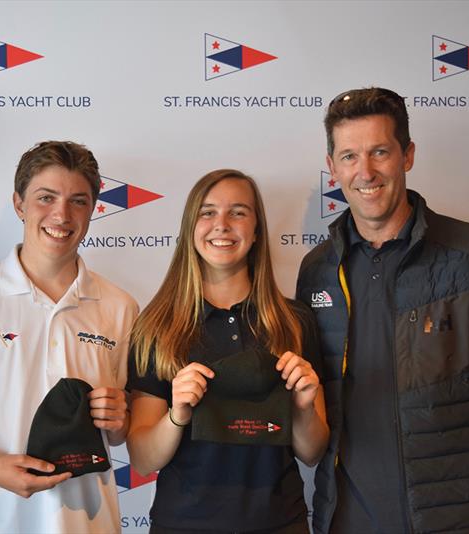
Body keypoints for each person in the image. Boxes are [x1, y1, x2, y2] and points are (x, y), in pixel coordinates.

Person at [296, 87, 469, 533]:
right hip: (345, 519)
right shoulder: (317, 270)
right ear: (332, 167)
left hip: (454, 519)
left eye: (379, 152)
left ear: (407, 155)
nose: (364, 172)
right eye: (348, 156)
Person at [0, 140, 138, 533]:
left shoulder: (120, 307)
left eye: (78, 201)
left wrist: (118, 420)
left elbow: (121, 431)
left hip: (90, 522)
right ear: (19, 204)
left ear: (93, 210)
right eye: (46, 197)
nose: (61, 214)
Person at [127, 169, 329, 533]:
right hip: (183, 524)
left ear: (256, 232)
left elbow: (312, 452)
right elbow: (142, 458)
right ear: (191, 228)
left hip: (280, 523)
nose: (222, 224)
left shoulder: (294, 321)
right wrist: (177, 415)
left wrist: (302, 408)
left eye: (238, 212)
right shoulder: (156, 326)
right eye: (207, 212)